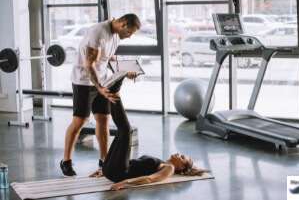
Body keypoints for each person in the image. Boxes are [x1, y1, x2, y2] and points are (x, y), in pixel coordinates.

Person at [60, 13, 141, 177]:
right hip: (83, 81)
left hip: (102, 81)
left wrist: (124, 72)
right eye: (130, 32)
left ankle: (104, 160)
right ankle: (66, 161)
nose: (130, 36)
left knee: (103, 119)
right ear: (123, 24)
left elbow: (109, 57)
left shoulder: (116, 35)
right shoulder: (97, 32)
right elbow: (89, 65)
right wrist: (99, 87)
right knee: (80, 121)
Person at [89, 100, 208, 190]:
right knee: (122, 131)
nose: (178, 153)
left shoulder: (169, 168)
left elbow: (149, 179)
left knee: (126, 130)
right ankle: (113, 94)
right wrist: (105, 170)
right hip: (111, 170)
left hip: (120, 173)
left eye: (182, 157)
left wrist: (126, 182)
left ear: (181, 167)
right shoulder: (162, 162)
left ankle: (114, 93)